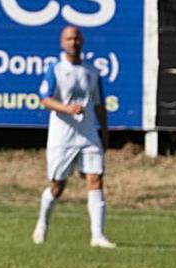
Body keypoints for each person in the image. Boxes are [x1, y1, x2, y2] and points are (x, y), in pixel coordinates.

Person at [32, 24, 115, 248]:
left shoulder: (92, 72)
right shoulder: (56, 69)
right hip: (62, 136)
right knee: (58, 185)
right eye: (69, 39)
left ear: (82, 42)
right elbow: (45, 99)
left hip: (88, 135)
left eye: (76, 38)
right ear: (62, 43)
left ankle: (98, 236)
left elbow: (99, 105)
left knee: (96, 178)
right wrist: (67, 109)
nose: (73, 42)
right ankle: (42, 222)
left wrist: (104, 133)